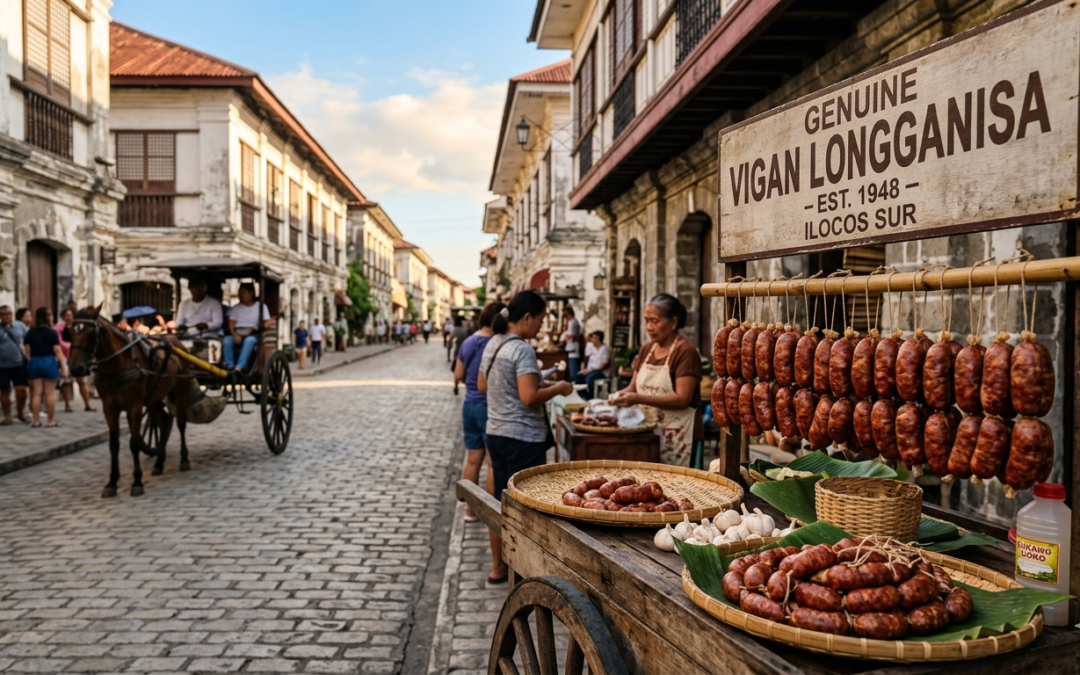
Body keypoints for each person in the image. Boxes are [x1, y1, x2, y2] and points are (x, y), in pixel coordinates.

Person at [478, 291, 573, 583]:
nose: (541, 326)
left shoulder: (494, 343)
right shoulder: (521, 349)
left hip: (496, 433)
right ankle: (523, 576)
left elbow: (482, 385)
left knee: (501, 503)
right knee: (525, 508)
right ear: (527, 317)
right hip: (523, 438)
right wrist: (558, 388)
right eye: (541, 320)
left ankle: (498, 568)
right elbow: (529, 397)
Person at [611, 294, 703, 467]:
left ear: (673, 322)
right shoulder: (647, 350)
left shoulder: (685, 351)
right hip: (647, 433)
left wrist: (637, 398)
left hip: (678, 435)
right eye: (646, 321)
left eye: (655, 321)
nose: (649, 327)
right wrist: (618, 396)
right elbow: (633, 387)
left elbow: (682, 398)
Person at [454, 301, 505, 527]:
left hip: (470, 405)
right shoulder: (498, 343)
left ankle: (470, 510)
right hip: (490, 407)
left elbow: (458, 374)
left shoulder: (469, 342)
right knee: (493, 462)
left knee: (473, 459)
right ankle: (492, 512)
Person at [22, 307, 69, 427]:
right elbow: (57, 350)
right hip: (49, 361)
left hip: (35, 361)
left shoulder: (31, 332)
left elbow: (27, 350)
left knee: (36, 393)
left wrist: (30, 360)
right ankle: (50, 420)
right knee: (50, 393)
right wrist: (64, 366)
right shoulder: (52, 332)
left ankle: (36, 421)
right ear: (48, 317)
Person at [224, 283, 270, 373]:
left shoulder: (261, 307)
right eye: (240, 292)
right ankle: (229, 366)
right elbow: (231, 324)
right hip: (238, 332)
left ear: (251, 293)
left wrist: (262, 326)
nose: (241, 295)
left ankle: (239, 367)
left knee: (249, 341)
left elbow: (267, 322)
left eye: (243, 292)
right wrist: (234, 335)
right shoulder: (236, 308)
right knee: (227, 341)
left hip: (253, 333)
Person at [55, 308, 94, 412]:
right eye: (67, 315)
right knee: (66, 382)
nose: (69, 317)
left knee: (82, 381)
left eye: (71, 315)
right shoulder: (59, 328)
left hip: (76, 357)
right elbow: (59, 342)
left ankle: (87, 404)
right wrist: (69, 347)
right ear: (63, 317)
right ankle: (67, 404)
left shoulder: (77, 327)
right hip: (65, 357)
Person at [0, 305, 29, 425]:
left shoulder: (20, 326)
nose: (6, 316)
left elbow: (28, 341)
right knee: (5, 391)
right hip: (2, 366)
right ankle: (8, 416)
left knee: (21, 389)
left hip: (19, 364)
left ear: (12, 314)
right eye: (3, 314)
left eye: (8, 314)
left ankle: (21, 413)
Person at [575, 331, 612, 399]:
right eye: (592, 337)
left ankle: (591, 397)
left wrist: (591, 370)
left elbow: (604, 363)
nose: (592, 339)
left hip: (601, 372)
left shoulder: (604, 349)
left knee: (589, 378)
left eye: (594, 338)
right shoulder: (591, 347)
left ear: (598, 339)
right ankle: (583, 396)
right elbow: (586, 357)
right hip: (590, 370)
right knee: (578, 376)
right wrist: (584, 367)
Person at [560, 306, 583, 381]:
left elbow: (570, 336)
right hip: (571, 349)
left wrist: (565, 338)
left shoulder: (573, 322)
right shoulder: (573, 322)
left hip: (573, 349)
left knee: (574, 374)